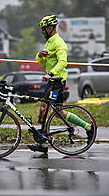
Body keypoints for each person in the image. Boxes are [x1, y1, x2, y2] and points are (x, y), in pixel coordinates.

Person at [28, 15, 94, 154]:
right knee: (48, 109)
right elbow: (42, 63)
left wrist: (50, 74)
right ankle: (44, 142)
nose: (41, 32)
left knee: (53, 111)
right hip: (52, 81)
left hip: (57, 81)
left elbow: (63, 62)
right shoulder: (49, 42)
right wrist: (39, 56)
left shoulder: (59, 43)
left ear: (50, 28)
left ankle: (88, 127)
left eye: (43, 29)